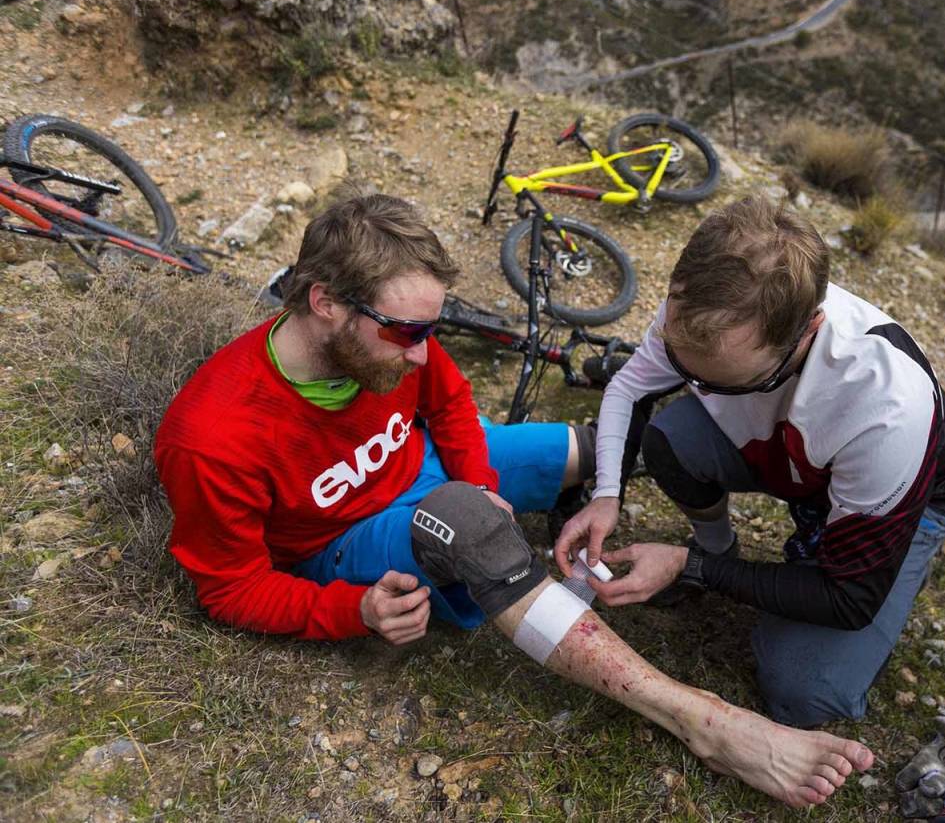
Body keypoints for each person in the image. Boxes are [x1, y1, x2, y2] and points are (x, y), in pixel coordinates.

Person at [154, 190, 874, 807]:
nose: (421, 350)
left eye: (431, 330)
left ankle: (510, 536)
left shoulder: (393, 336)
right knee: (469, 526)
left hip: (416, 464)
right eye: (406, 333)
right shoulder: (213, 437)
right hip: (340, 539)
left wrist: (479, 480)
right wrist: (353, 610)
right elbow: (229, 589)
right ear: (324, 302)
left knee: (597, 448)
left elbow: (449, 403)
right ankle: (701, 720)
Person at [556, 194, 945, 728]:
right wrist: (606, 495)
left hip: (906, 495)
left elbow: (848, 599)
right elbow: (630, 388)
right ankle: (722, 546)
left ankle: (890, 557)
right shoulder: (701, 308)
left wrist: (692, 566)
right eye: (687, 370)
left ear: (807, 332)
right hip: (795, 452)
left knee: (803, 691)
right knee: (671, 438)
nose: (700, 385)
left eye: (727, 383)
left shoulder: (886, 408)